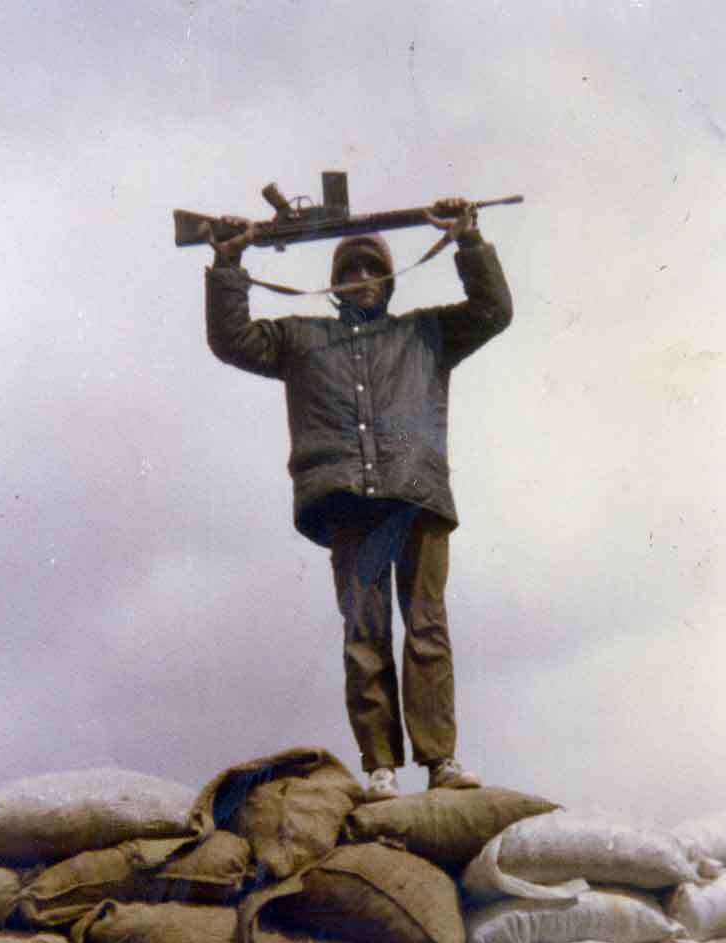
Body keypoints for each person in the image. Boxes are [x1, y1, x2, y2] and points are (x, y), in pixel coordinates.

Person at [204, 196, 512, 799]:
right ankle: (380, 766)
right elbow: (231, 339)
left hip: (416, 496)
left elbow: (493, 311)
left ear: (390, 281)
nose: (362, 277)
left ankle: (440, 761)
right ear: (334, 284)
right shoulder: (299, 338)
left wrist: (468, 240)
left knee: (426, 626)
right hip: (347, 501)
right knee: (364, 633)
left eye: (373, 269)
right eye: (349, 270)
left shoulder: (426, 333)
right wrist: (229, 264)